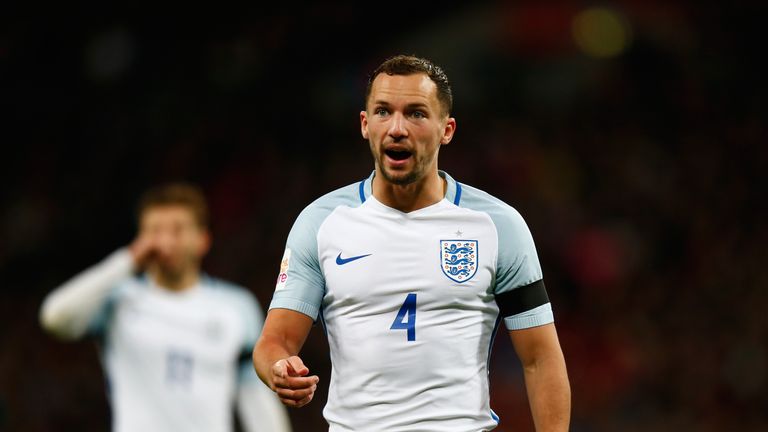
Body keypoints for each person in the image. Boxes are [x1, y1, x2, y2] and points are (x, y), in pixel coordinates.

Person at [252, 55, 571, 431]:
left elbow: (540, 358)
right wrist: (278, 368)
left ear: (446, 129)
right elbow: (275, 341)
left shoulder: (498, 225)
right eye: (384, 112)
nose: (397, 128)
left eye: (417, 113)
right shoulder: (321, 223)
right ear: (365, 124)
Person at [40, 183, 291, 432]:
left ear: (202, 240)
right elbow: (56, 317)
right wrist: (128, 260)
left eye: (177, 230)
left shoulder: (236, 307)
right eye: (154, 231)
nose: (165, 241)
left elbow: (255, 397)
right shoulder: (118, 300)